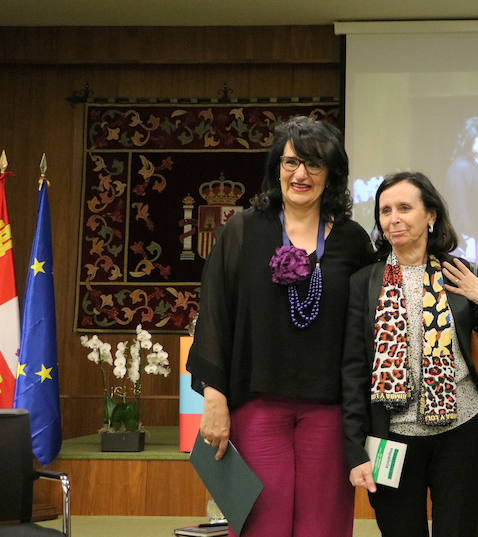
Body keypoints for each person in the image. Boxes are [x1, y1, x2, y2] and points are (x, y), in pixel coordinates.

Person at [186, 116, 374, 537]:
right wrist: (213, 396)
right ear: (277, 169)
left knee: (322, 527)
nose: (301, 174)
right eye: (291, 163)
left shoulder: (353, 241)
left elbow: (369, 326)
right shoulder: (243, 230)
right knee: (262, 526)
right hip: (257, 404)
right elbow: (216, 311)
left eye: (313, 164)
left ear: (333, 173)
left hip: (330, 409)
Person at [342, 171, 478, 537]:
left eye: (405, 207)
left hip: (463, 434)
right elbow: (354, 372)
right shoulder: (364, 283)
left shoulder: (459, 272)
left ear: (430, 215)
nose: (393, 218)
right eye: (385, 211)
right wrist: (355, 450)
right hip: (391, 438)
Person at [445, 116, 478, 263]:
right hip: (471, 242)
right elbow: (458, 207)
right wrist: (468, 240)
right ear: (470, 139)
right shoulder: (460, 167)